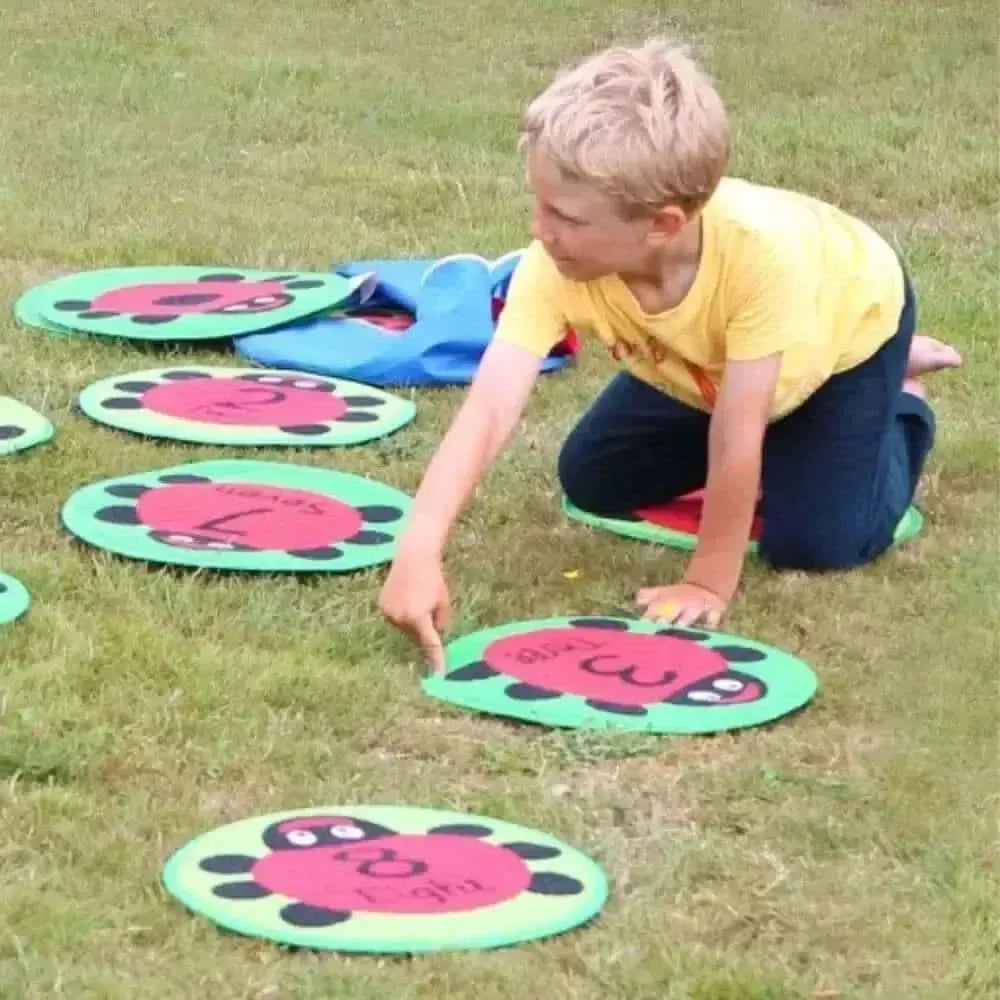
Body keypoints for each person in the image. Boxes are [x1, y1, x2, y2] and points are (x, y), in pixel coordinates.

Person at [379, 37, 961, 668]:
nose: (539, 230)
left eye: (565, 216)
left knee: (817, 544)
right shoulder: (556, 263)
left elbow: (738, 434)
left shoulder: (760, 261)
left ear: (661, 225)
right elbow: (490, 407)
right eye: (538, 204)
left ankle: (899, 394)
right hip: (710, 363)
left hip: (851, 325)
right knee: (595, 480)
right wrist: (418, 551)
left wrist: (708, 581)